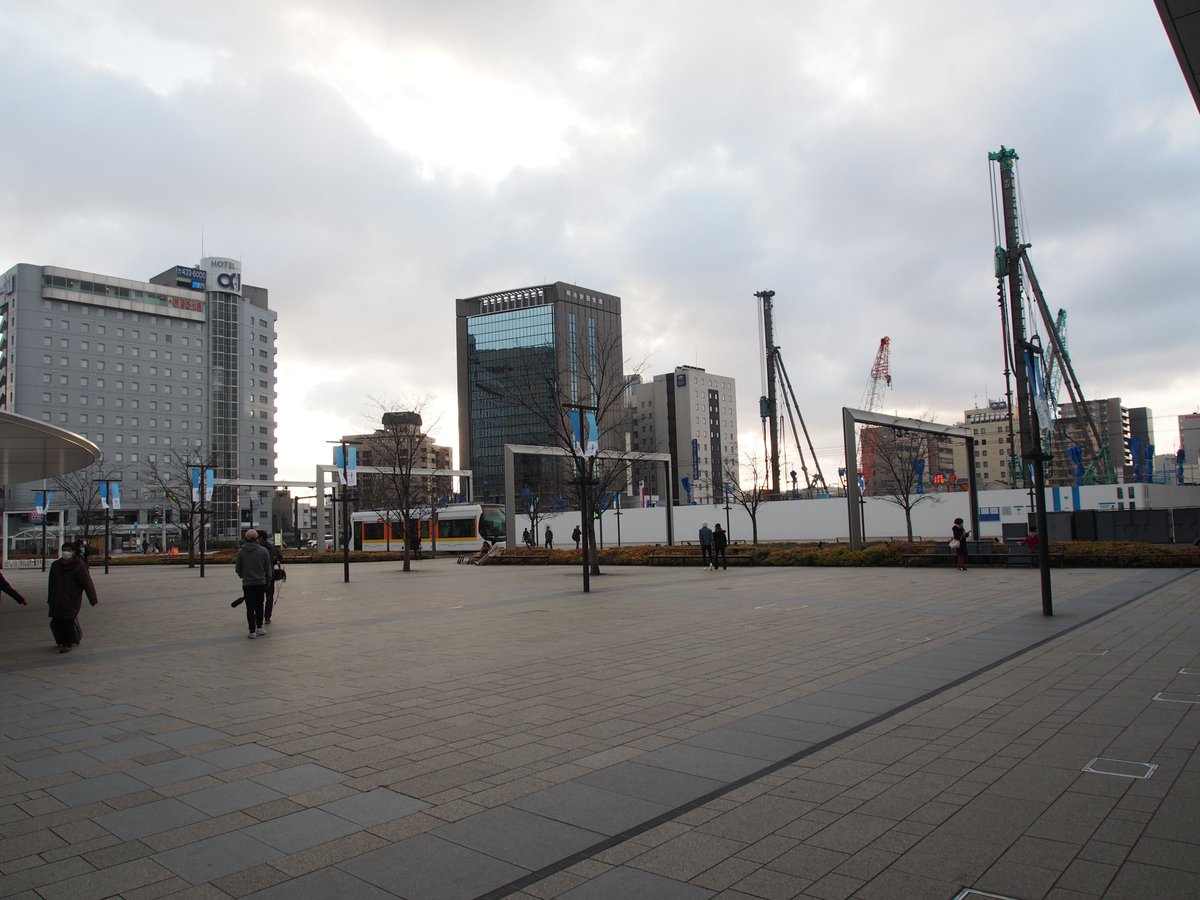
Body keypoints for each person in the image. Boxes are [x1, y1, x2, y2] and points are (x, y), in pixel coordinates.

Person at [47, 541, 98, 653]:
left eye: (68, 550)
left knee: (68, 620)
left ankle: (67, 643)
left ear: (74, 551)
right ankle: (63, 640)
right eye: (64, 550)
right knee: (57, 620)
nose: (66, 552)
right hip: (57, 598)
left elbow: (87, 583)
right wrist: (50, 598)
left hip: (71, 598)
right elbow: (51, 583)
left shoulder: (79, 566)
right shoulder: (55, 565)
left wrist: (92, 598)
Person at [235, 529, 272, 639]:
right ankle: (259, 628)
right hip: (261, 582)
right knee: (260, 605)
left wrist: (243, 576)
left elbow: (238, 568)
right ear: (257, 539)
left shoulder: (241, 552)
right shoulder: (263, 551)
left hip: (247, 583)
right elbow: (268, 568)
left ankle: (252, 631)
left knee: (250, 607)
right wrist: (268, 580)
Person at [258, 531, 284, 625]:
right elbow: (280, 557)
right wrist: (272, 564)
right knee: (269, 597)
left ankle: (258, 617)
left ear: (260, 538)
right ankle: (267, 617)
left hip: (258, 576)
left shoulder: (257, 548)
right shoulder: (272, 547)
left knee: (258, 597)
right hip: (270, 575)